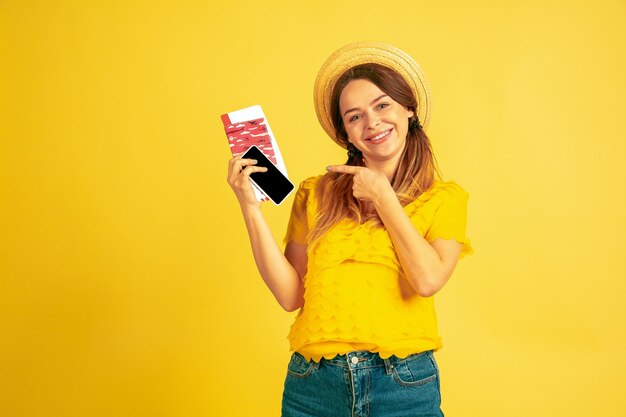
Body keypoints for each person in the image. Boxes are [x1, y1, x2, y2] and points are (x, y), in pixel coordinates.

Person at [227, 41, 474, 417]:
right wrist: (249, 207)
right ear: (346, 133)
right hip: (313, 385)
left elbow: (427, 280)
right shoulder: (315, 193)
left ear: (409, 109)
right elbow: (291, 296)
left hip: (402, 384)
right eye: (354, 116)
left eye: (382, 105)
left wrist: (384, 199)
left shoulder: (444, 199)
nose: (372, 122)